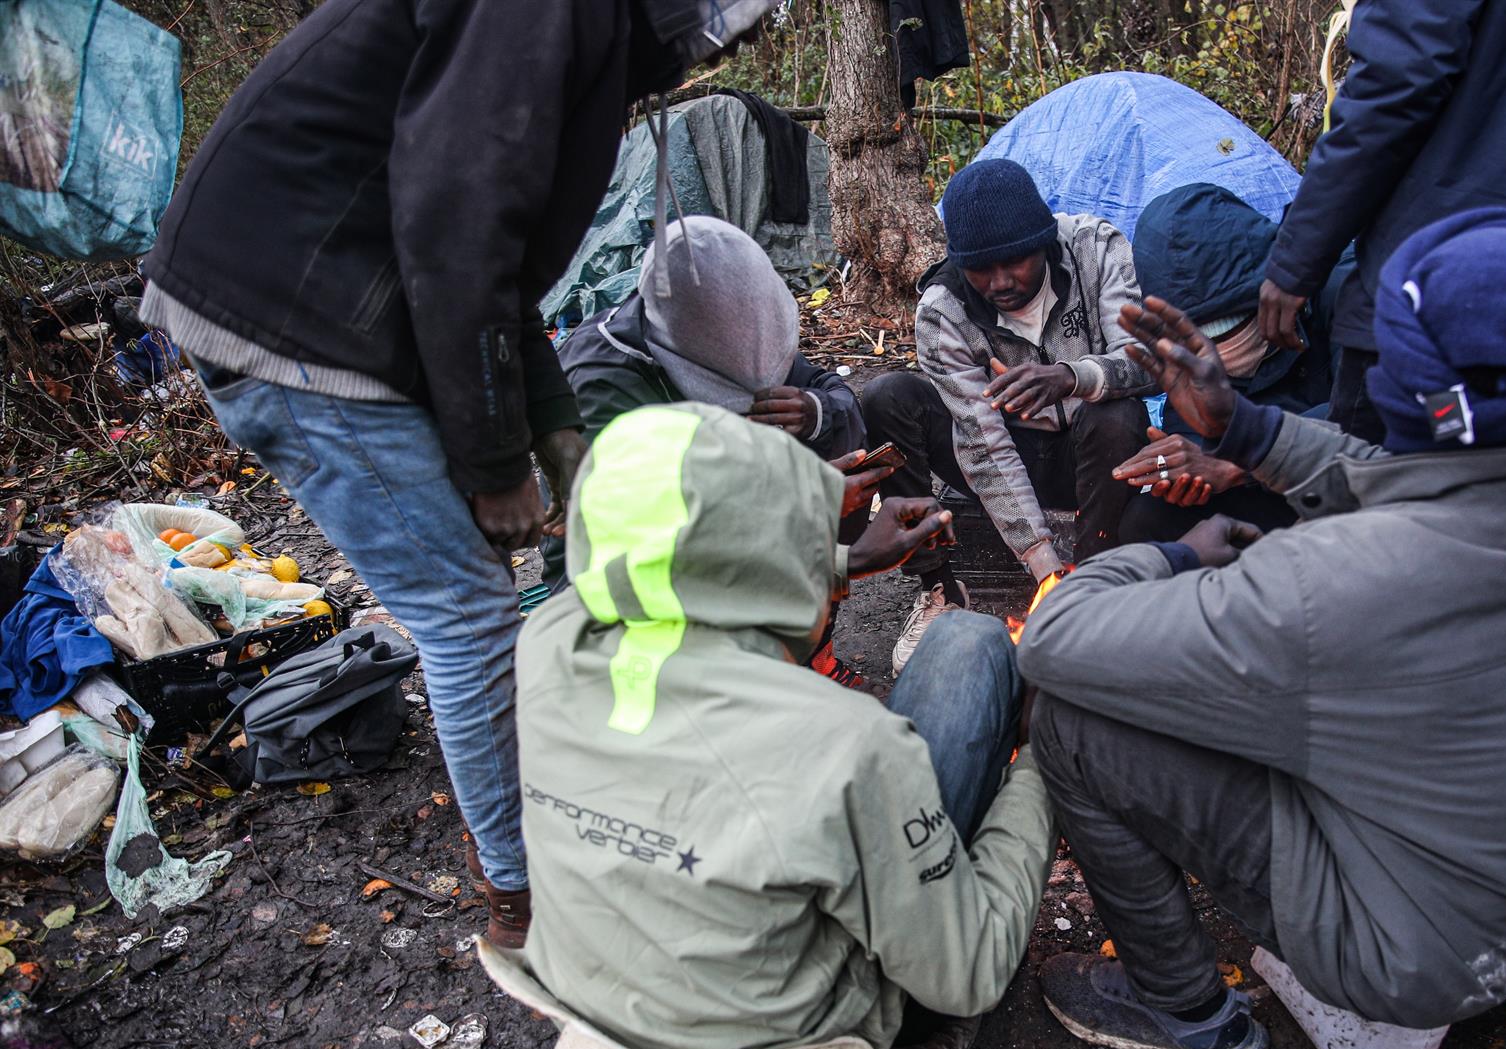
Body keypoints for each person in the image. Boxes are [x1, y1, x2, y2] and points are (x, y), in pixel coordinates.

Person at [137, 0, 772, 947]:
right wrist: (492, 462)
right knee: (467, 611)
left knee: (478, 590)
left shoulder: (577, 37)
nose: (743, 46)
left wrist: (555, 430)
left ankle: (535, 811)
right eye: (744, 25)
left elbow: (497, 265)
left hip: (342, 306)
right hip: (299, 318)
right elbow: (454, 227)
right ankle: (526, 903)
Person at [1018, 210, 1506, 1049]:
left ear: (1400, 383)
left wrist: (1173, 554)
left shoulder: (1334, 582)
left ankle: (1184, 1010)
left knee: (1072, 727)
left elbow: (1053, 638)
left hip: (1402, 957)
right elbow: (1402, 475)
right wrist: (1248, 430)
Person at [516, 401, 1056, 1049]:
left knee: (955, 645)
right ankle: (901, 1039)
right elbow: (976, 968)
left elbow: (664, 570)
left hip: (596, 1018)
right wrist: (1043, 763)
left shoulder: (547, 639)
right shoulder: (848, 744)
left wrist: (840, 561)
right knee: (968, 643)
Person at [1256, 0, 1506, 443]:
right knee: (1475, 479)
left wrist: (1297, 260)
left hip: (1439, 296)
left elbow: (1397, 76)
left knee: (1376, 487)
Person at [862, 158, 1155, 672]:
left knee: (1117, 413)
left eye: (1015, 261)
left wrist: (1072, 376)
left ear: (1043, 241)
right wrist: (1043, 564)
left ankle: (1090, 584)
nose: (1000, 282)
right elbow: (982, 444)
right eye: (981, 269)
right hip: (1010, 451)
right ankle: (940, 589)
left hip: (1093, 451)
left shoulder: (1094, 248)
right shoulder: (943, 308)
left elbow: (1145, 362)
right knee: (890, 396)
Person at [549, 215, 869, 682]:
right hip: (630, 591)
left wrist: (813, 410)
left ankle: (804, 657)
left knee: (835, 451)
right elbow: (653, 534)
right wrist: (801, 496)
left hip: (741, 540)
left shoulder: (734, 323)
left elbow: (834, 398)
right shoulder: (602, 381)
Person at [1113, 182, 1353, 541]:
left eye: (1228, 325)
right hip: (1266, 493)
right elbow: (1200, 439)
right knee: (1150, 521)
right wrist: (1189, 470)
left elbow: (1364, 423)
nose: (1215, 349)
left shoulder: (1347, 289)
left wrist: (1241, 461)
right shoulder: (1182, 353)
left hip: (1356, 488)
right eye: (1196, 336)